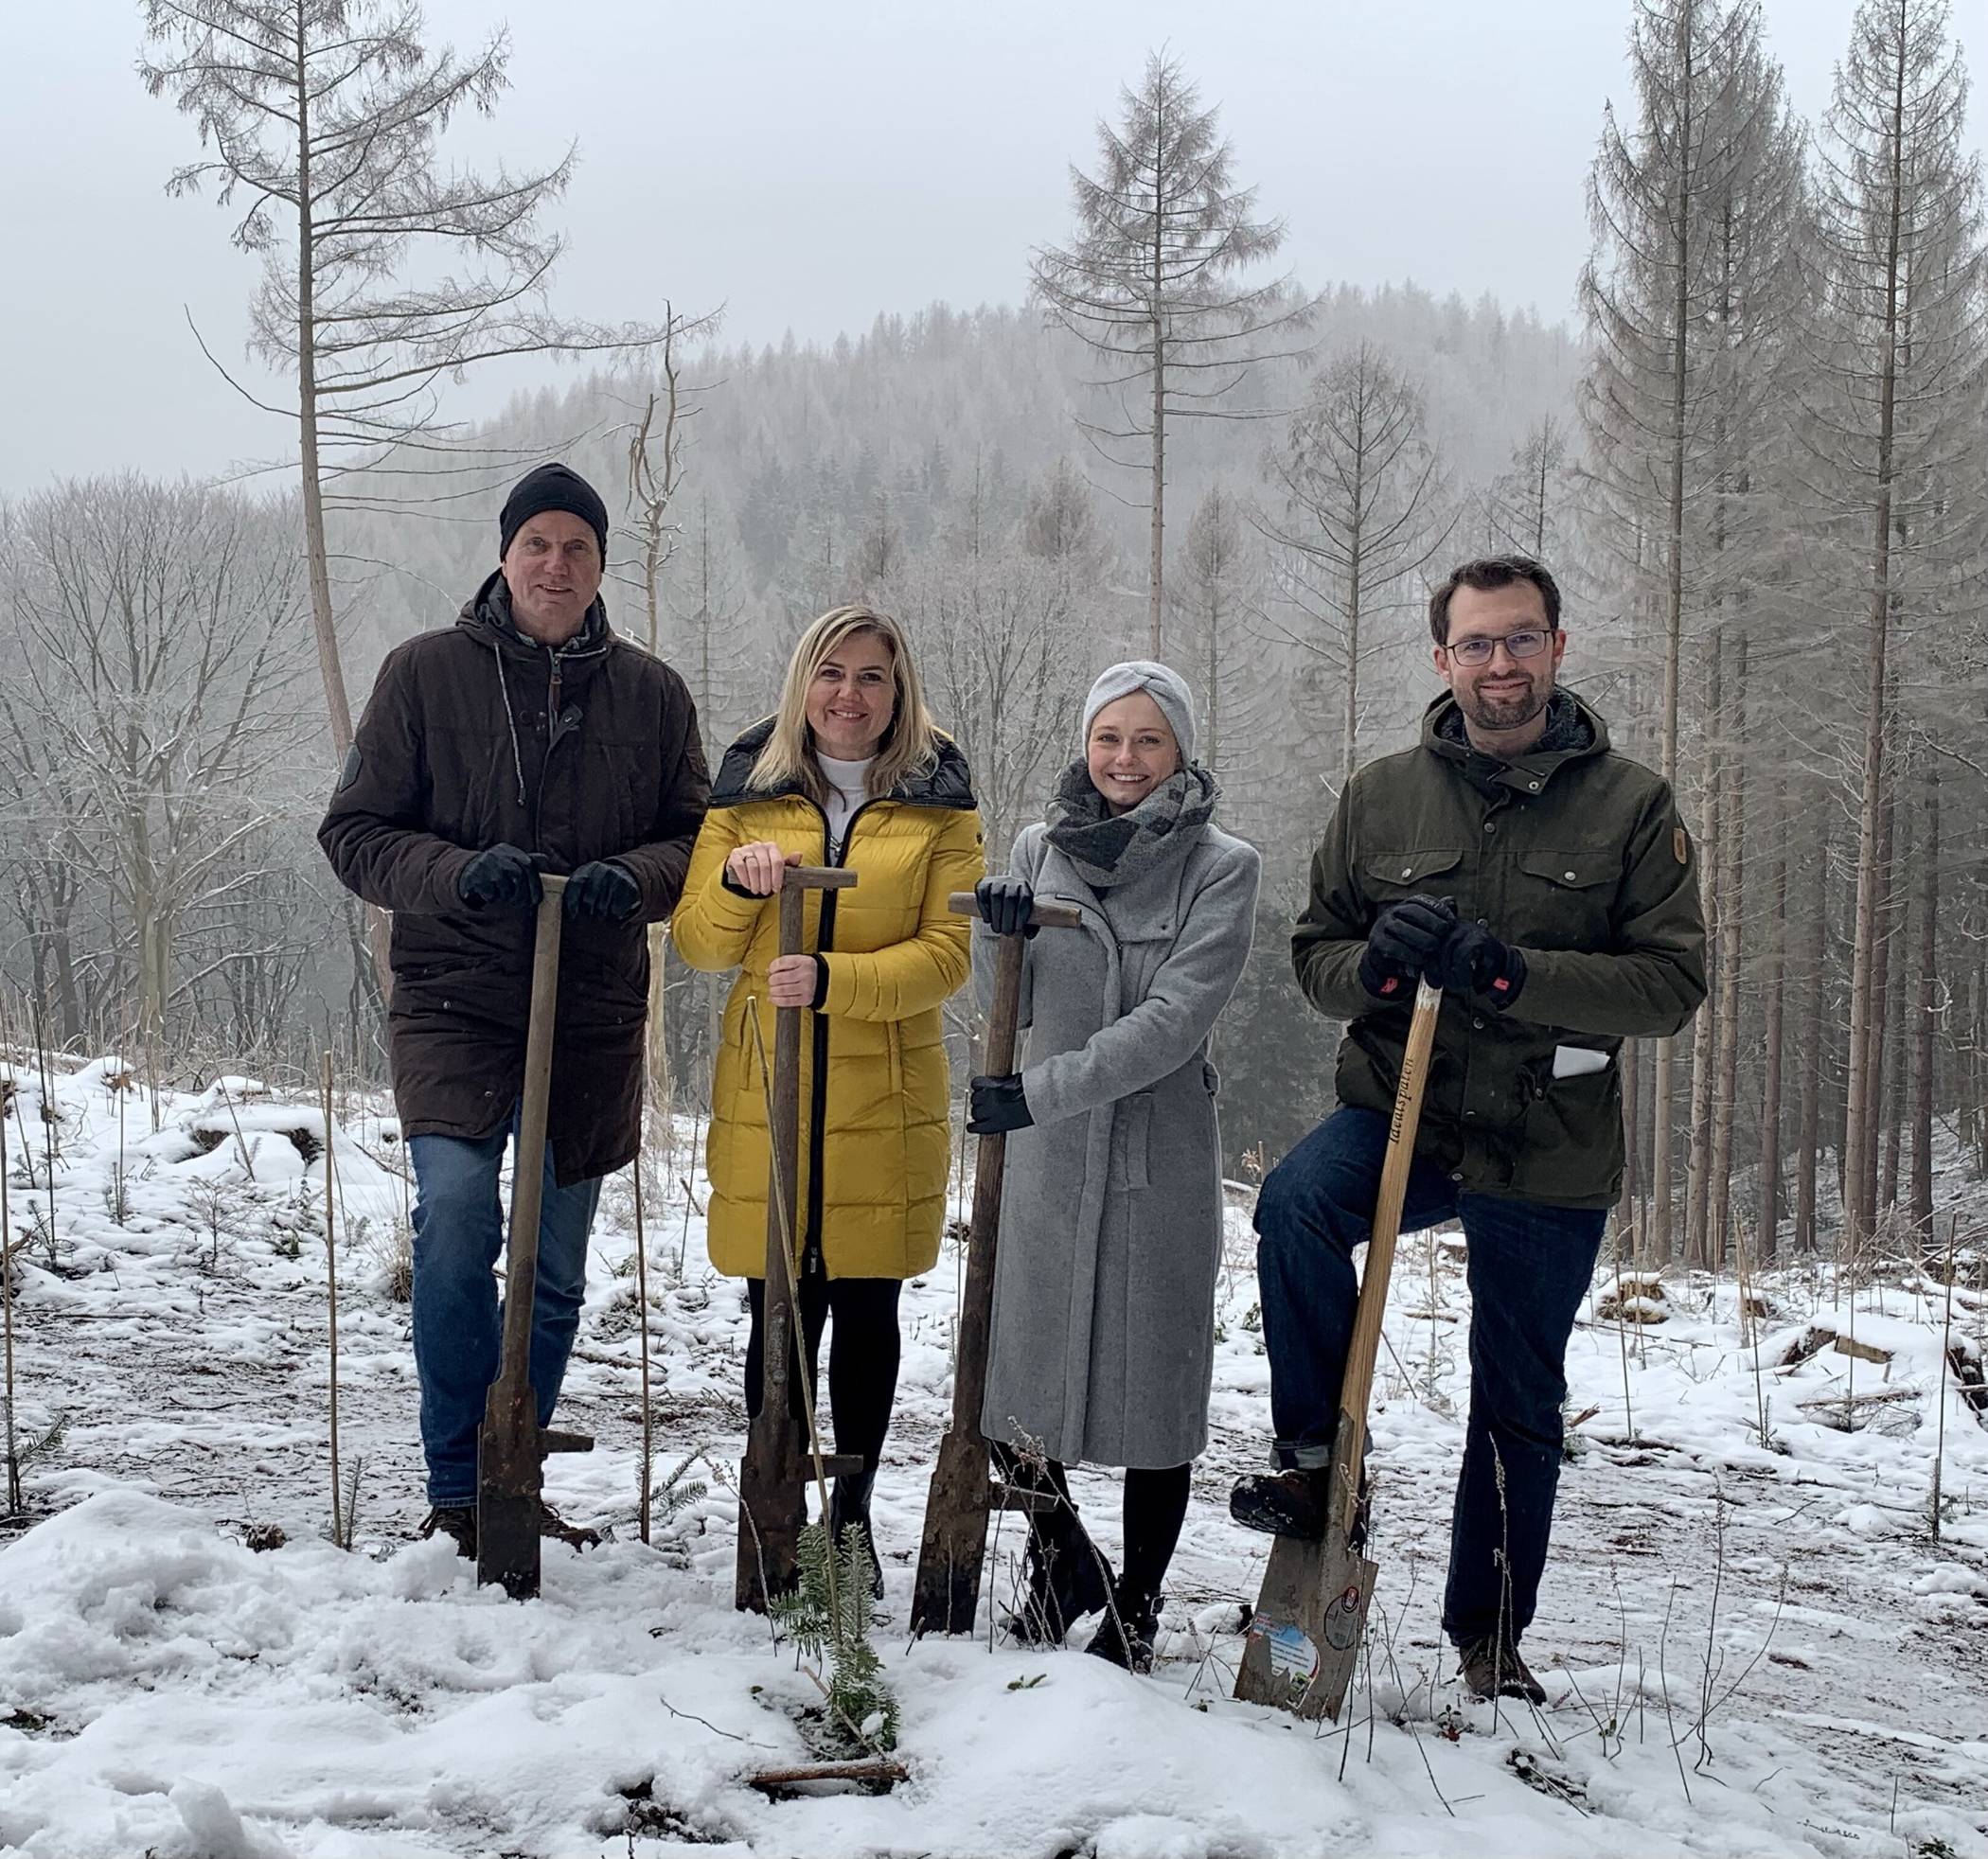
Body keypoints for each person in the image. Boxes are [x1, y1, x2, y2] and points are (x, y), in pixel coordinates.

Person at [1230, 554, 1706, 1701]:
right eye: (1479, 643)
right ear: (1443, 658)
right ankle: (1314, 1461)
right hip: (1405, 1109)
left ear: (1558, 646)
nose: (1503, 663)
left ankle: (1489, 1634)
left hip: (1548, 1139)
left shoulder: (1632, 803)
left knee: (1517, 1390)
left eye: (1523, 639)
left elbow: (1670, 984)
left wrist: (1512, 974)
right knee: (1295, 1207)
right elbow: (1314, 958)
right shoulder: (1383, 794)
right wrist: (1379, 969)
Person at [319, 461, 710, 1556]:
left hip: (587, 1012)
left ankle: (514, 1469)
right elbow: (353, 831)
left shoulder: (652, 694)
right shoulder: (423, 675)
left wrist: (631, 878)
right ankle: (458, 1476)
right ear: (505, 554)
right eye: (536, 543)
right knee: (455, 1223)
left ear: (599, 567)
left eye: (575, 548)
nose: (555, 564)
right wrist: (453, 873)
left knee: (551, 1264)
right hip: (453, 997)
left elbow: (699, 839)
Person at [671, 604, 983, 1589]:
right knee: (776, 1303)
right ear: (803, 683)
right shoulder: (747, 791)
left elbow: (949, 953)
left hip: (885, 1091)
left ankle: (851, 1515)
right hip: (771, 1083)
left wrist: (835, 981)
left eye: (873, 677)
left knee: (868, 1303)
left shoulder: (941, 801)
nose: (850, 694)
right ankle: (777, 1501)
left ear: (900, 694)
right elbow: (700, 941)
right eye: (832, 673)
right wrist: (735, 882)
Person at [967, 662, 1260, 1672]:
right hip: (1046, 1157)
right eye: (1109, 738)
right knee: (1012, 1380)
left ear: (1180, 748)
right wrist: (992, 926)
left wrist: (1038, 1093)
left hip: (1153, 1152)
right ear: (1085, 743)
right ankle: (1062, 1556)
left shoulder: (1221, 865)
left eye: (1148, 740)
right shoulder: (1036, 848)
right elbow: (1006, 995)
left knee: (1155, 1390)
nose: (1126, 760)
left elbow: (1174, 1021)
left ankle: (1135, 1602)